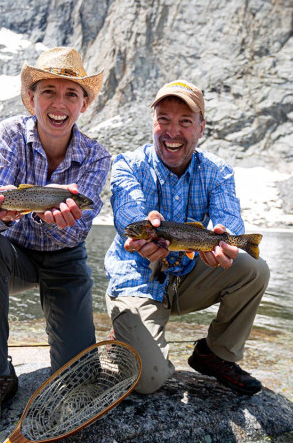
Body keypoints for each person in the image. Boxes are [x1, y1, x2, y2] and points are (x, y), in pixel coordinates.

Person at [0, 47, 110, 439]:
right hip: (13, 254)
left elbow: (78, 230)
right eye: (48, 92)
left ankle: (72, 366)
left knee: (80, 378)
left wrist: (56, 219)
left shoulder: (96, 156)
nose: (59, 104)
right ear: (30, 99)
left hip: (64, 260)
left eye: (71, 94)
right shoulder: (9, 134)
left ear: (84, 104)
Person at [104, 80, 270, 396]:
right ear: (152, 123)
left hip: (186, 278)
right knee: (149, 379)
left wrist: (227, 239)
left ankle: (215, 355)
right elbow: (127, 213)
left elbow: (228, 221)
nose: (173, 131)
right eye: (164, 119)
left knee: (254, 269)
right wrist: (143, 225)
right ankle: (123, 333)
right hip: (138, 280)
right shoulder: (128, 164)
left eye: (185, 121)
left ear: (201, 127)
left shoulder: (218, 171)